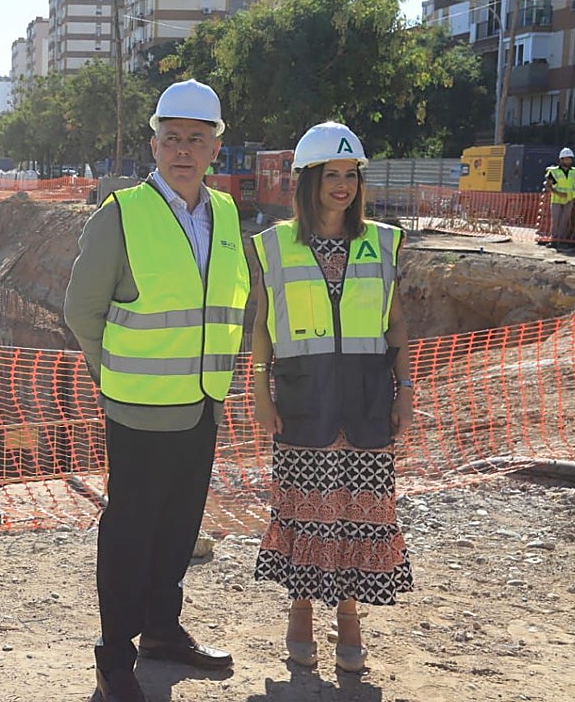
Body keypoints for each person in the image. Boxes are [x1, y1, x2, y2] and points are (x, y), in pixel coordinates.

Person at [63, 79, 250, 702]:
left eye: (196, 139)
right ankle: (114, 653)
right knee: (129, 532)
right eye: (172, 138)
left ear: (215, 148)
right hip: (139, 409)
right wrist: (111, 373)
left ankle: (163, 633)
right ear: (154, 143)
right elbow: (82, 311)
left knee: (178, 526)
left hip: (202, 402)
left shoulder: (225, 214)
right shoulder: (121, 214)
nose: (183, 150)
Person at [250, 121, 414, 673]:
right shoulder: (274, 246)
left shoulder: (384, 241)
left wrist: (406, 389)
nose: (341, 185)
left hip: (367, 398)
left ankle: (348, 616)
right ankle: (299, 611)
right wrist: (259, 393)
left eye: (350, 175)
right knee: (303, 510)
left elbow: (395, 325)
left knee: (356, 515)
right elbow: (263, 327)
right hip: (303, 398)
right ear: (308, 180)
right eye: (330, 175)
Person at [545, 147, 575, 249]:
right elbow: (548, 185)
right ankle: (554, 240)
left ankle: (561, 240)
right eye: (567, 159)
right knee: (556, 220)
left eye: (570, 159)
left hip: (569, 199)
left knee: (565, 221)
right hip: (556, 199)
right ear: (561, 160)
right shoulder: (554, 171)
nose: (569, 160)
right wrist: (557, 193)